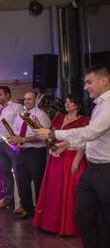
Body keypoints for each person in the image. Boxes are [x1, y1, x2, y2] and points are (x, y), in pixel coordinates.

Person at [37, 64, 110, 248]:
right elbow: (90, 138)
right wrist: (64, 144)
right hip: (93, 169)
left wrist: (53, 132)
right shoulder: (99, 105)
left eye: (89, 82)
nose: (86, 87)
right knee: (82, 216)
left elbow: (91, 131)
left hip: (107, 169)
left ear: (104, 80)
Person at [33, 93, 89, 236]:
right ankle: (52, 224)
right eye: (66, 102)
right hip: (56, 155)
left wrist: (77, 159)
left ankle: (69, 227)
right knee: (54, 189)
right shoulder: (58, 117)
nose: (67, 104)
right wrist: (51, 149)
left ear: (78, 105)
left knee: (70, 192)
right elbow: (50, 135)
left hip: (71, 156)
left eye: (71, 102)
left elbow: (84, 142)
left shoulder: (83, 121)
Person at [9, 91, 51, 220]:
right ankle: (28, 210)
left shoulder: (41, 115)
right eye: (25, 99)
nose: (27, 101)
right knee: (23, 182)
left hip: (35, 153)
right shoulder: (21, 115)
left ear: (36, 100)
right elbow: (16, 131)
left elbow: (43, 136)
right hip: (22, 152)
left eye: (30, 99)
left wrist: (22, 139)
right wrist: (14, 140)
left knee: (38, 182)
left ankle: (40, 211)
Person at [0, 86, 23, 210]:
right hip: (0, 143)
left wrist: (19, 141)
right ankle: (8, 200)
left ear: (8, 95)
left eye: (0, 94)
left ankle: (23, 202)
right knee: (5, 172)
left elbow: (23, 124)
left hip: (11, 143)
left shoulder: (17, 107)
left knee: (18, 173)